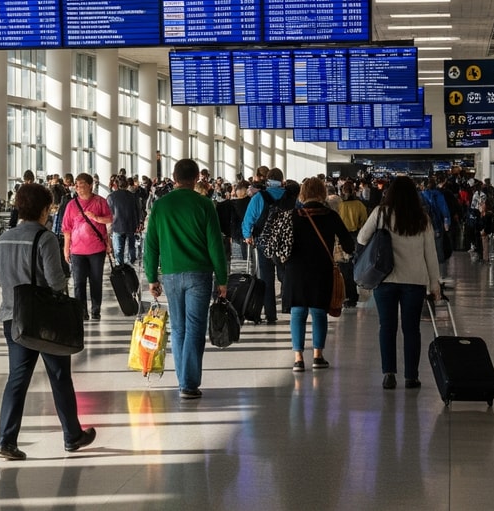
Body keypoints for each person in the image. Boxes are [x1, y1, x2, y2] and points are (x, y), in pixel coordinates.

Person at [0, 181, 95, 460]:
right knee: (60, 376)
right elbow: (55, 281)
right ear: (43, 210)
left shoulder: (3, 239)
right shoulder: (45, 238)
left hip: (12, 316)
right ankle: (72, 435)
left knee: (17, 379)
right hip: (44, 319)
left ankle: (6, 440)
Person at [143, 159, 229, 400]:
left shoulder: (161, 206)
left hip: (170, 274)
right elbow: (215, 245)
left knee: (178, 328)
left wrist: (151, 277)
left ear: (174, 176)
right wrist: (222, 279)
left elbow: (151, 245)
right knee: (194, 328)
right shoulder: (205, 205)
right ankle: (189, 384)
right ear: (196, 179)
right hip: (199, 275)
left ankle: (183, 380)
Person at [357, 176, 443, 390]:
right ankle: (411, 377)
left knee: (387, 327)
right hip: (414, 281)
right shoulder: (422, 218)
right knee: (411, 329)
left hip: (385, 279)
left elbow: (361, 238)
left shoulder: (380, 213)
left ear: (390, 193)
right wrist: (435, 284)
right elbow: (430, 254)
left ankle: (389, 374)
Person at [281, 177, 356, 371]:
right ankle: (318, 356)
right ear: (322, 193)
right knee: (318, 311)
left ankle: (298, 358)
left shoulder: (292, 215)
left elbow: (279, 247)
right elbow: (349, 244)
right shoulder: (330, 216)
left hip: (295, 270)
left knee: (297, 312)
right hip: (321, 270)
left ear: (302, 193)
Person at [240, 168, 295, 324]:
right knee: (287, 276)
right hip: (285, 243)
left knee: (266, 278)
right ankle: (288, 306)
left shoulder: (259, 198)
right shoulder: (290, 197)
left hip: (264, 243)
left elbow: (248, 219)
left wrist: (247, 236)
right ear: (282, 180)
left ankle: (270, 314)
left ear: (268, 181)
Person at [58, 173, 114, 321]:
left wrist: (96, 218)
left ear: (90, 185)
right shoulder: (71, 205)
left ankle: (96, 310)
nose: (77, 187)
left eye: (81, 184)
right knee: (78, 282)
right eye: (76, 184)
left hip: (97, 249)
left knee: (96, 281)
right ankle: (81, 311)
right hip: (77, 251)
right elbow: (67, 229)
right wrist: (66, 249)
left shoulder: (100, 202)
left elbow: (109, 219)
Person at [107, 176, 143, 267]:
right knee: (132, 247)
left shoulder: (111, 197)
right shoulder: (132, 196)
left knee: (118, 249)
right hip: (131, 225)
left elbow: (109, 213)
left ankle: (120, 266)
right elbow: (138, 210)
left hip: (117, 225)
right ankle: (131, 264)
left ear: (116, 184)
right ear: (127, 184)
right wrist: (140, 222)